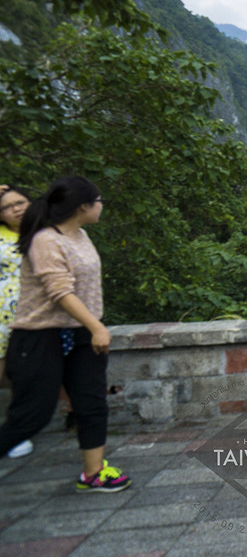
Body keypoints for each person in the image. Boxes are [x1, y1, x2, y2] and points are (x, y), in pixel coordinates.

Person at [0, 176, 131, 492]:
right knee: (32, 415)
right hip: (42, 335)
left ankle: (93, 473)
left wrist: (91, 327)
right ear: (83, 206)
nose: (101, 206)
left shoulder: (81, 235)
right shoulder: (46, 240)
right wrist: (97, 326)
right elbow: (59, 291)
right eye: (98, 200)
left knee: (91, 402)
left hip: (82, 335)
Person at [0, 185, 34, 458]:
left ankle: (18, 428)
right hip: (2, 318)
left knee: (25, 373)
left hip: (35, 316)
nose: (16, 209)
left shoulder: (44, 232)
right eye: (7, 207)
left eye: (20, 202)